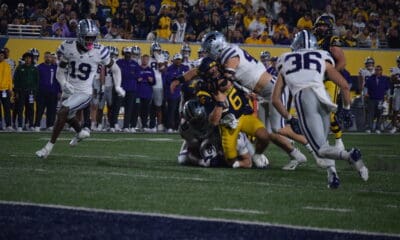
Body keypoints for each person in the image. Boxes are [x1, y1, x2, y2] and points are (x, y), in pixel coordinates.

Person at [171, 31, 308, 169]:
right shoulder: (222, 58)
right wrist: (180, 79)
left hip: (272, 90)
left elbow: (226, 83)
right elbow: (198, 70)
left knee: (279, 128)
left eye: (208, 50)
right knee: (269, 133)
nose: (207, 53)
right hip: (260, 94)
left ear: (215, 47)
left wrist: (210, 86)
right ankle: (296, 156)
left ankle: (313, 145)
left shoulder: (229, 55)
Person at [272, 30, 369, 189]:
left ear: (296, 45)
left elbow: (276, 99)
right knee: (323, 143)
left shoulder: (285, 59)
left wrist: (289, 118)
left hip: (304, 98)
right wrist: (346, 109)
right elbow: (344, 85)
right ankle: (333, 175)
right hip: (323, 97)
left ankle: (349, 155)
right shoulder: (322, 56)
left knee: (320, 150)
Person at [36, 19, 125, 159]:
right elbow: (60, 72)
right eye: (87, 37)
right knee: (68, 116)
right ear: (79, 35)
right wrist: (64, 83)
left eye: (92, 38)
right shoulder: (68, 47)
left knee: (63, 111)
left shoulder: (100, 51)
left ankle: (48, 148)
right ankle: (81, 132)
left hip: (84, 92)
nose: (90, 41)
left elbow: (116, 69)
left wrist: (118, 86)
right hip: (69, 90)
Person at [196, 57, 270, 168]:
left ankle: (256, 155)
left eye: (216, 69)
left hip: (244, 117)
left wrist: (248, 93)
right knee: (231, 161)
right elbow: (214, 121)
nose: (216, 73)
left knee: (264, 136)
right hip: (228, 125)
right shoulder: (204, 91)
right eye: (211, 72)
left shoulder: (230, 76)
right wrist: (220, 103)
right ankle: (239, 160)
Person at [314, 15, 347, 150]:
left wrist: (329, 74)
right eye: (320, 25)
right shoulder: (312, 40)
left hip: (329, 80)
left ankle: (339, 139)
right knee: (315, 110)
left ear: (329, 27)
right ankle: (322, 139)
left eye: (324, 25)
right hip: (315, 79)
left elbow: (342, 62)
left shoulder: (332, 40)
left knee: (329, 112)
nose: (321, 28)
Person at [34, 51, 60, 131]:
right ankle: (37, 125)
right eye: (46, 57)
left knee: (51, 110)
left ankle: (50, 125)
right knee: (40, 109)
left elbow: (58, 81)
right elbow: (36, 80)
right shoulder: (39, 67)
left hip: (53, 92)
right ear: (44, 58)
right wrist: (36, 92)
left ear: (52, 58)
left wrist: (59, 91)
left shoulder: (55, 68)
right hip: (41, 92)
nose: (48, 58)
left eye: (49, 57)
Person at [13, 52, 39, 131]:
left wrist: (35, 93)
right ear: (24, 59)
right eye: (26, 58)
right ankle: (20, 126)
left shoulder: (34, 69)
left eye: (29, 58)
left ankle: (30, 125)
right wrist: (16, 92)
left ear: (31, 59)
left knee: (30, 109)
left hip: (31, 92)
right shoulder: (19, 68)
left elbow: (36, 82)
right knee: (20, 109)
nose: (28, 60)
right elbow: (16, 81)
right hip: (21, 92)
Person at [364, 65, 391, 133]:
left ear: (381, 71)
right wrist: (365, 93)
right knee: (370, 114)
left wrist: (388, 96)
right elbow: (366, 87)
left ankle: (378, 128)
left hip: (380, 99)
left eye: (379, 70)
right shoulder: (370, 78)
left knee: (379, 114)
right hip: (371, 99)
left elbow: (387, 89)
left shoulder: (384, 79)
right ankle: (369, 128)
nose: (377, 71)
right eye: (376, 70)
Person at [0, 48, 13, 131]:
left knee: (7, 108)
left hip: (5, 90)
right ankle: (1, 125)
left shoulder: (7, 66)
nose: (0, 57)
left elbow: (9, 78)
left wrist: (10, 89)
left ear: (4, 56)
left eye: (2, 55)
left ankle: (8, 125)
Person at [389, 56, 400, 133]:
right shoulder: (395, 69)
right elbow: (393, 80)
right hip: (397, 89)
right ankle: (394, 126)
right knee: (395, 109)